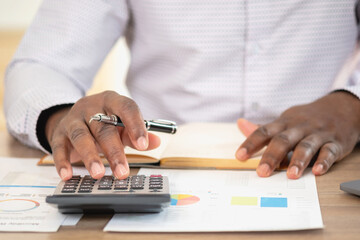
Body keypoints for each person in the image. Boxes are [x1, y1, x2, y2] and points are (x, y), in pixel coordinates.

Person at [4, 0, 360, 181]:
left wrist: (353, 102)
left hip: (333, 163)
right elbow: (41, 65)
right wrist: (62, 119)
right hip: (154, 168)